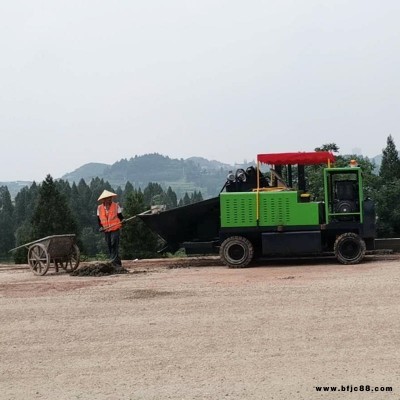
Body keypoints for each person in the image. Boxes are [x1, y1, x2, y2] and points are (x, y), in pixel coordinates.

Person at [97, 190, 124, 268]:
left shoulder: (116, 206)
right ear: (103, 200)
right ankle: (117, 263)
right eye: (108, 198)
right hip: (106, 229)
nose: (109, 199)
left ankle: (112, 261)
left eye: (110, 198)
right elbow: (99, 220)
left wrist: (123, 220)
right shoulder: (99, 208)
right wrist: (100, 227)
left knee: (114, 243)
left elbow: (120, 216)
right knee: (109, 245)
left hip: (115, 228)